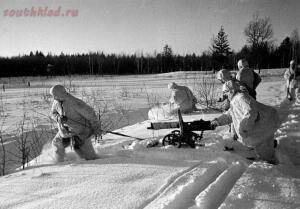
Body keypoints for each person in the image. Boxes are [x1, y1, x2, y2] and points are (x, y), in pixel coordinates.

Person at [210, 80, 279, 164]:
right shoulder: (234, 100)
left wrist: (244, 128)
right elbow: (230, 115)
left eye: (225, 92)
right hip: (262, 127)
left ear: (231, 90)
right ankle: (271, 156)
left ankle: (274, 169)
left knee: (266, 154)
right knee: (264, 147)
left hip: (264, 126)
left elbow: (251, 111)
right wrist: (217, 121)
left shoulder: (241, 97)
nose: (225, 95)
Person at [50, 85, 99, 162]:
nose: (53, 98)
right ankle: (59, 162)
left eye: (54, 96)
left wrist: (95, 127)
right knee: (56, 143)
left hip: (81, 132)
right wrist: (59, 118)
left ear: (60, 94)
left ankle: (96, 162)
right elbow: (53, 113)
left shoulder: (75, 102)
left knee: (89, 157)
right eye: (53, 96)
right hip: (64, 131)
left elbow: (91, 114)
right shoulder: (56, 102)